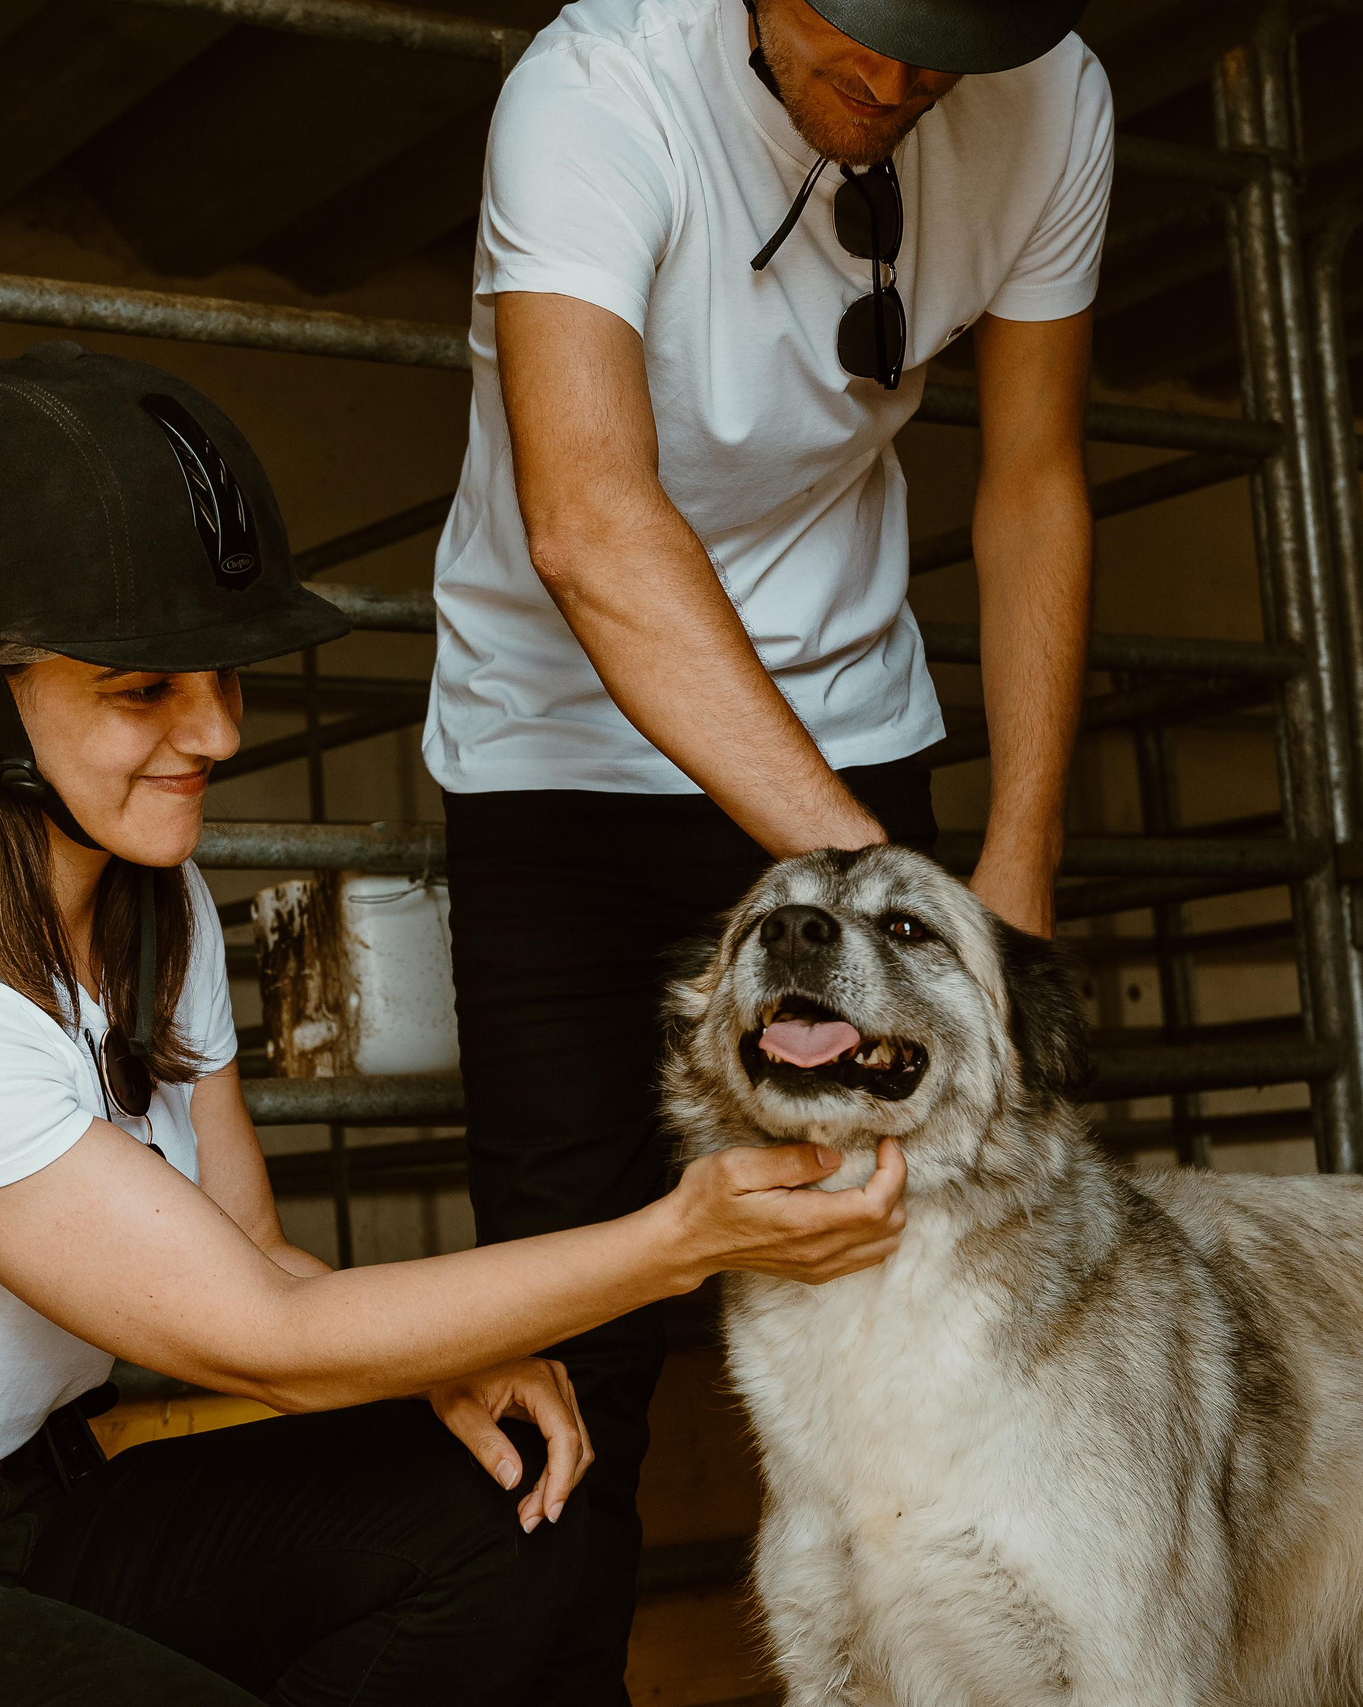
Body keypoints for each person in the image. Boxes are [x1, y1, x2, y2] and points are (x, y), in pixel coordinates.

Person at [0, 341, 910, 1707]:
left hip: (33, 1513)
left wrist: (428, 1363)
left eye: (225, 677)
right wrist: (686, 1237)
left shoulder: (161, 902)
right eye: (145, 688)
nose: (215, 734)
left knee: (506, 1514)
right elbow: (259, 1331)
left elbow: (253, 1250)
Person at [424, 0, 1110, 1695]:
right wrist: (876, 908)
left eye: (935, 64)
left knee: (934, 1260)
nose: (890, 92)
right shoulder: (592, 91)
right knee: (564, 1327)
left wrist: (1008, 885)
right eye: (852, 44)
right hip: (561, 747)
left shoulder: (1055, 98)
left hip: (855, 730)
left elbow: (1030, 479)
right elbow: (592, 518)